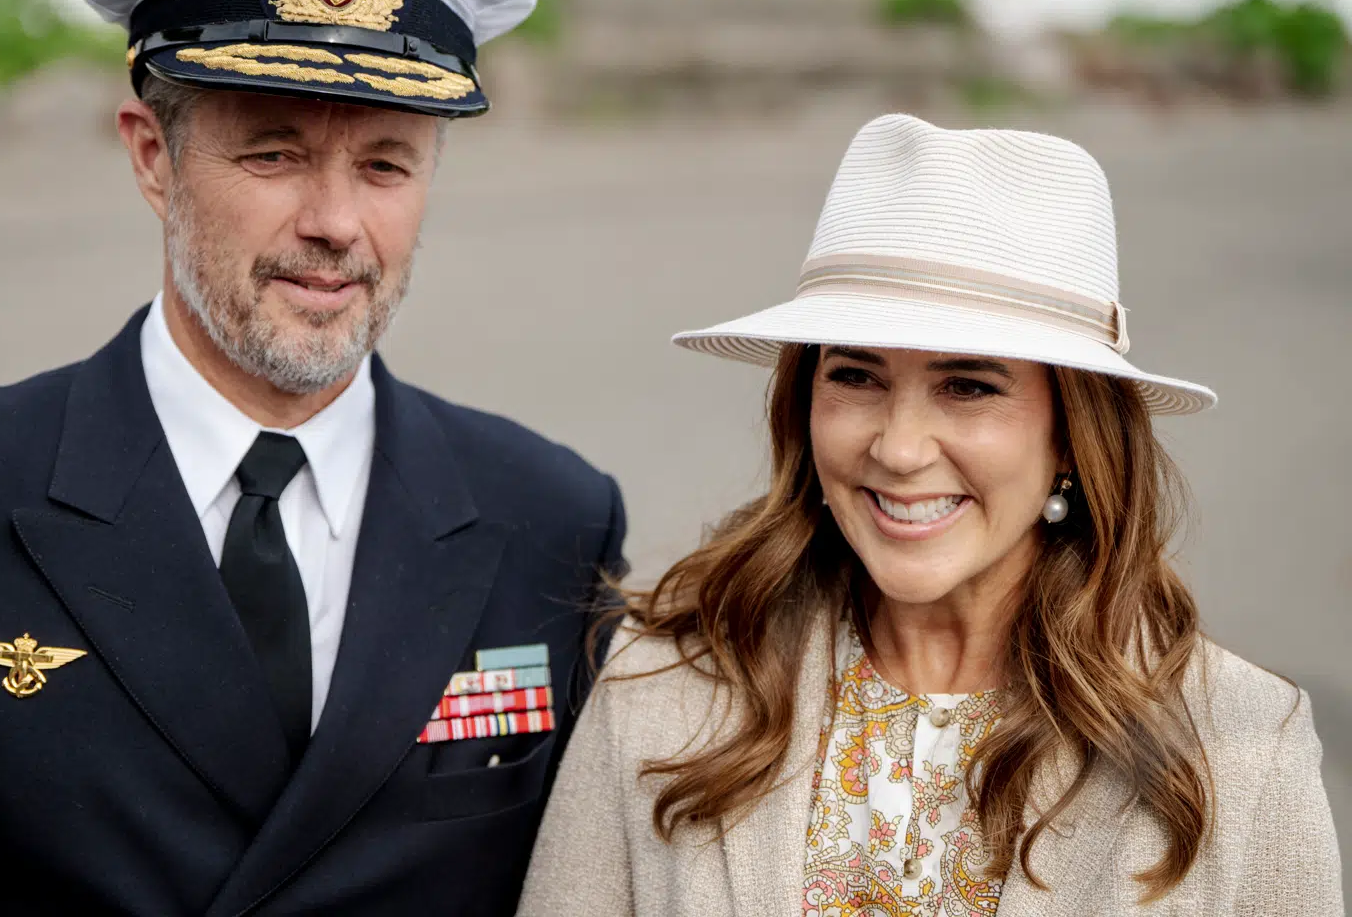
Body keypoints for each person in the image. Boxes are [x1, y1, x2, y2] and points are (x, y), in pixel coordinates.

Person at [0, 0, 624, 913]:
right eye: (272, 155)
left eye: (384, 163)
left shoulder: (553, 520)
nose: (335, 224)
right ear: (151, 157)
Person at [518, 115, 1342, 916]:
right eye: (856, 376)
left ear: (1072, 436)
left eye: (969, 387)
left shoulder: (1242, 744)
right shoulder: (663, 679)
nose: (901, 448)